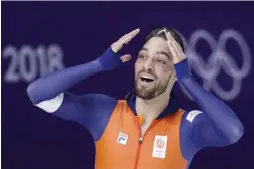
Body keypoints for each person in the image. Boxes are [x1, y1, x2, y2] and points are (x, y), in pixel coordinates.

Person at [27, 27, 244, 169]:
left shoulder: (187, 127)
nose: (147, 65)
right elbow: (37, 94)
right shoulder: (104, 112)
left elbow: (232, 131)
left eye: (160, 60)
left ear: (175, 72)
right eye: (142, 56)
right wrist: (98, 65)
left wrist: (187, 80)